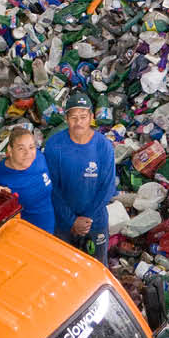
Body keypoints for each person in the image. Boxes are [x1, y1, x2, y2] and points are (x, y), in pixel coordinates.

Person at [43, 92, 117, 260]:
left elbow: (107, 187)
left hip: (95, 221)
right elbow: (52, 188)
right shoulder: (55, 145)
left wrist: (87, 218)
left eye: (83, 117)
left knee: (97, 267)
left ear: (91, 117)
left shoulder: (103, 146)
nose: (78, 122)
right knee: (64, 266)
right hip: (63, 223)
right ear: (66, 118)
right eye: (73, 117)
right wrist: (72, 221)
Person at [0, 124, 55, 233]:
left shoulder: (38, 158)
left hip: (50, 228)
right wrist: (5, 202)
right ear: (10, 150)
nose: (28, 153)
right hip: (26, 234)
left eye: (31, 147)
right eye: (21, 148)